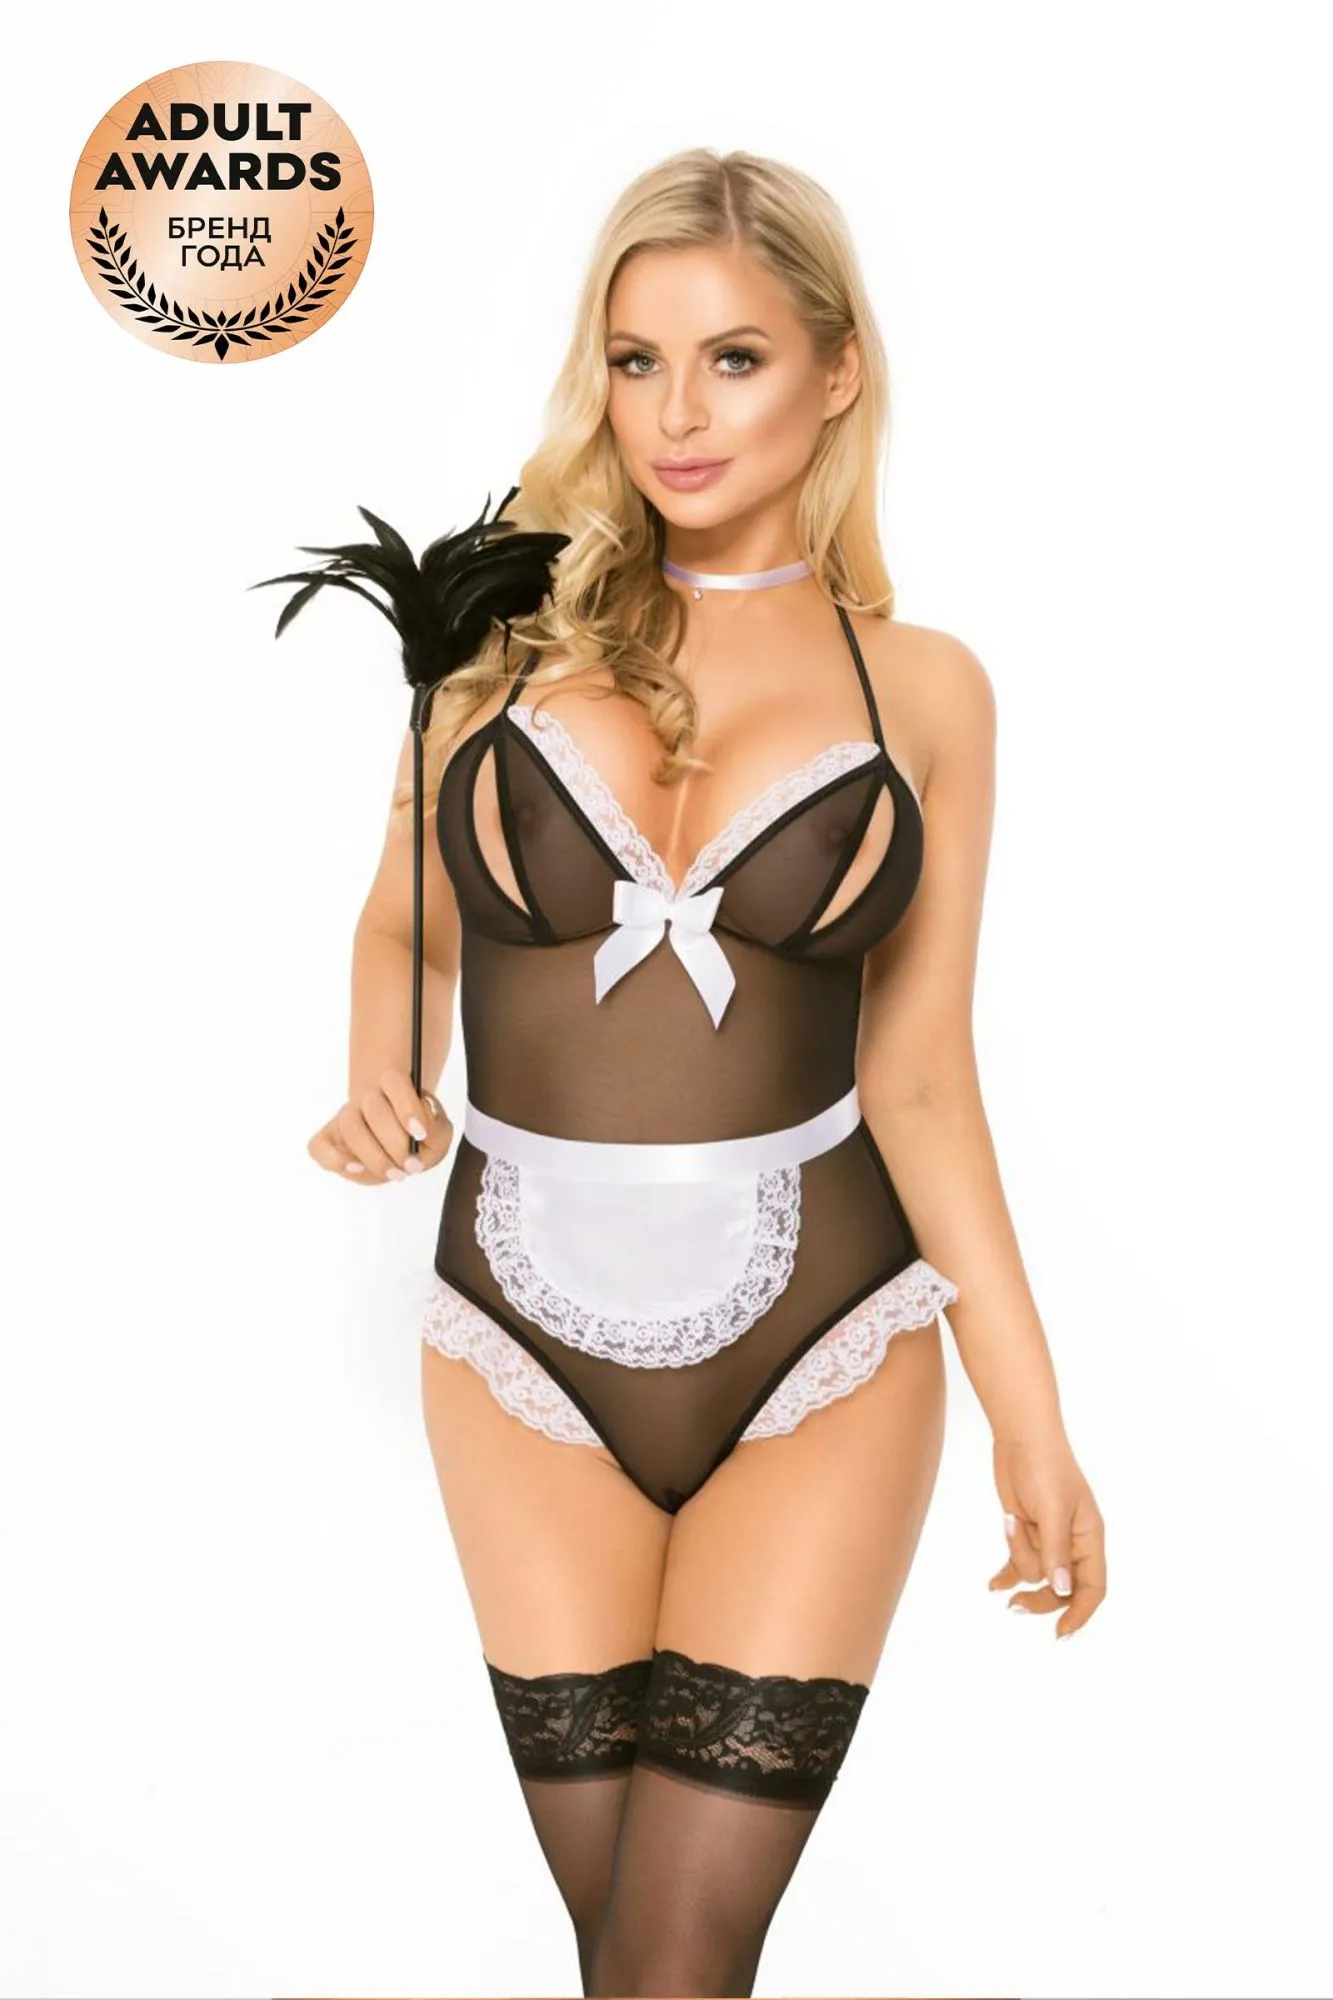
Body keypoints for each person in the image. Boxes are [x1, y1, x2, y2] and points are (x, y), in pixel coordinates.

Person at [306, 146, 1107, 1999]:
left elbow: (922, 1077)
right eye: (637, 359)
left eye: (733, 358)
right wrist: (377, 1076)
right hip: (515, 1337)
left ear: (835, 370)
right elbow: (402, 928)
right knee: (623, 1960)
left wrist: (1033, 1416)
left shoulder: (929, 690)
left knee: (677, 1954)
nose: (675, 413)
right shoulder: (492, 643)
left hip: (828, 1338)